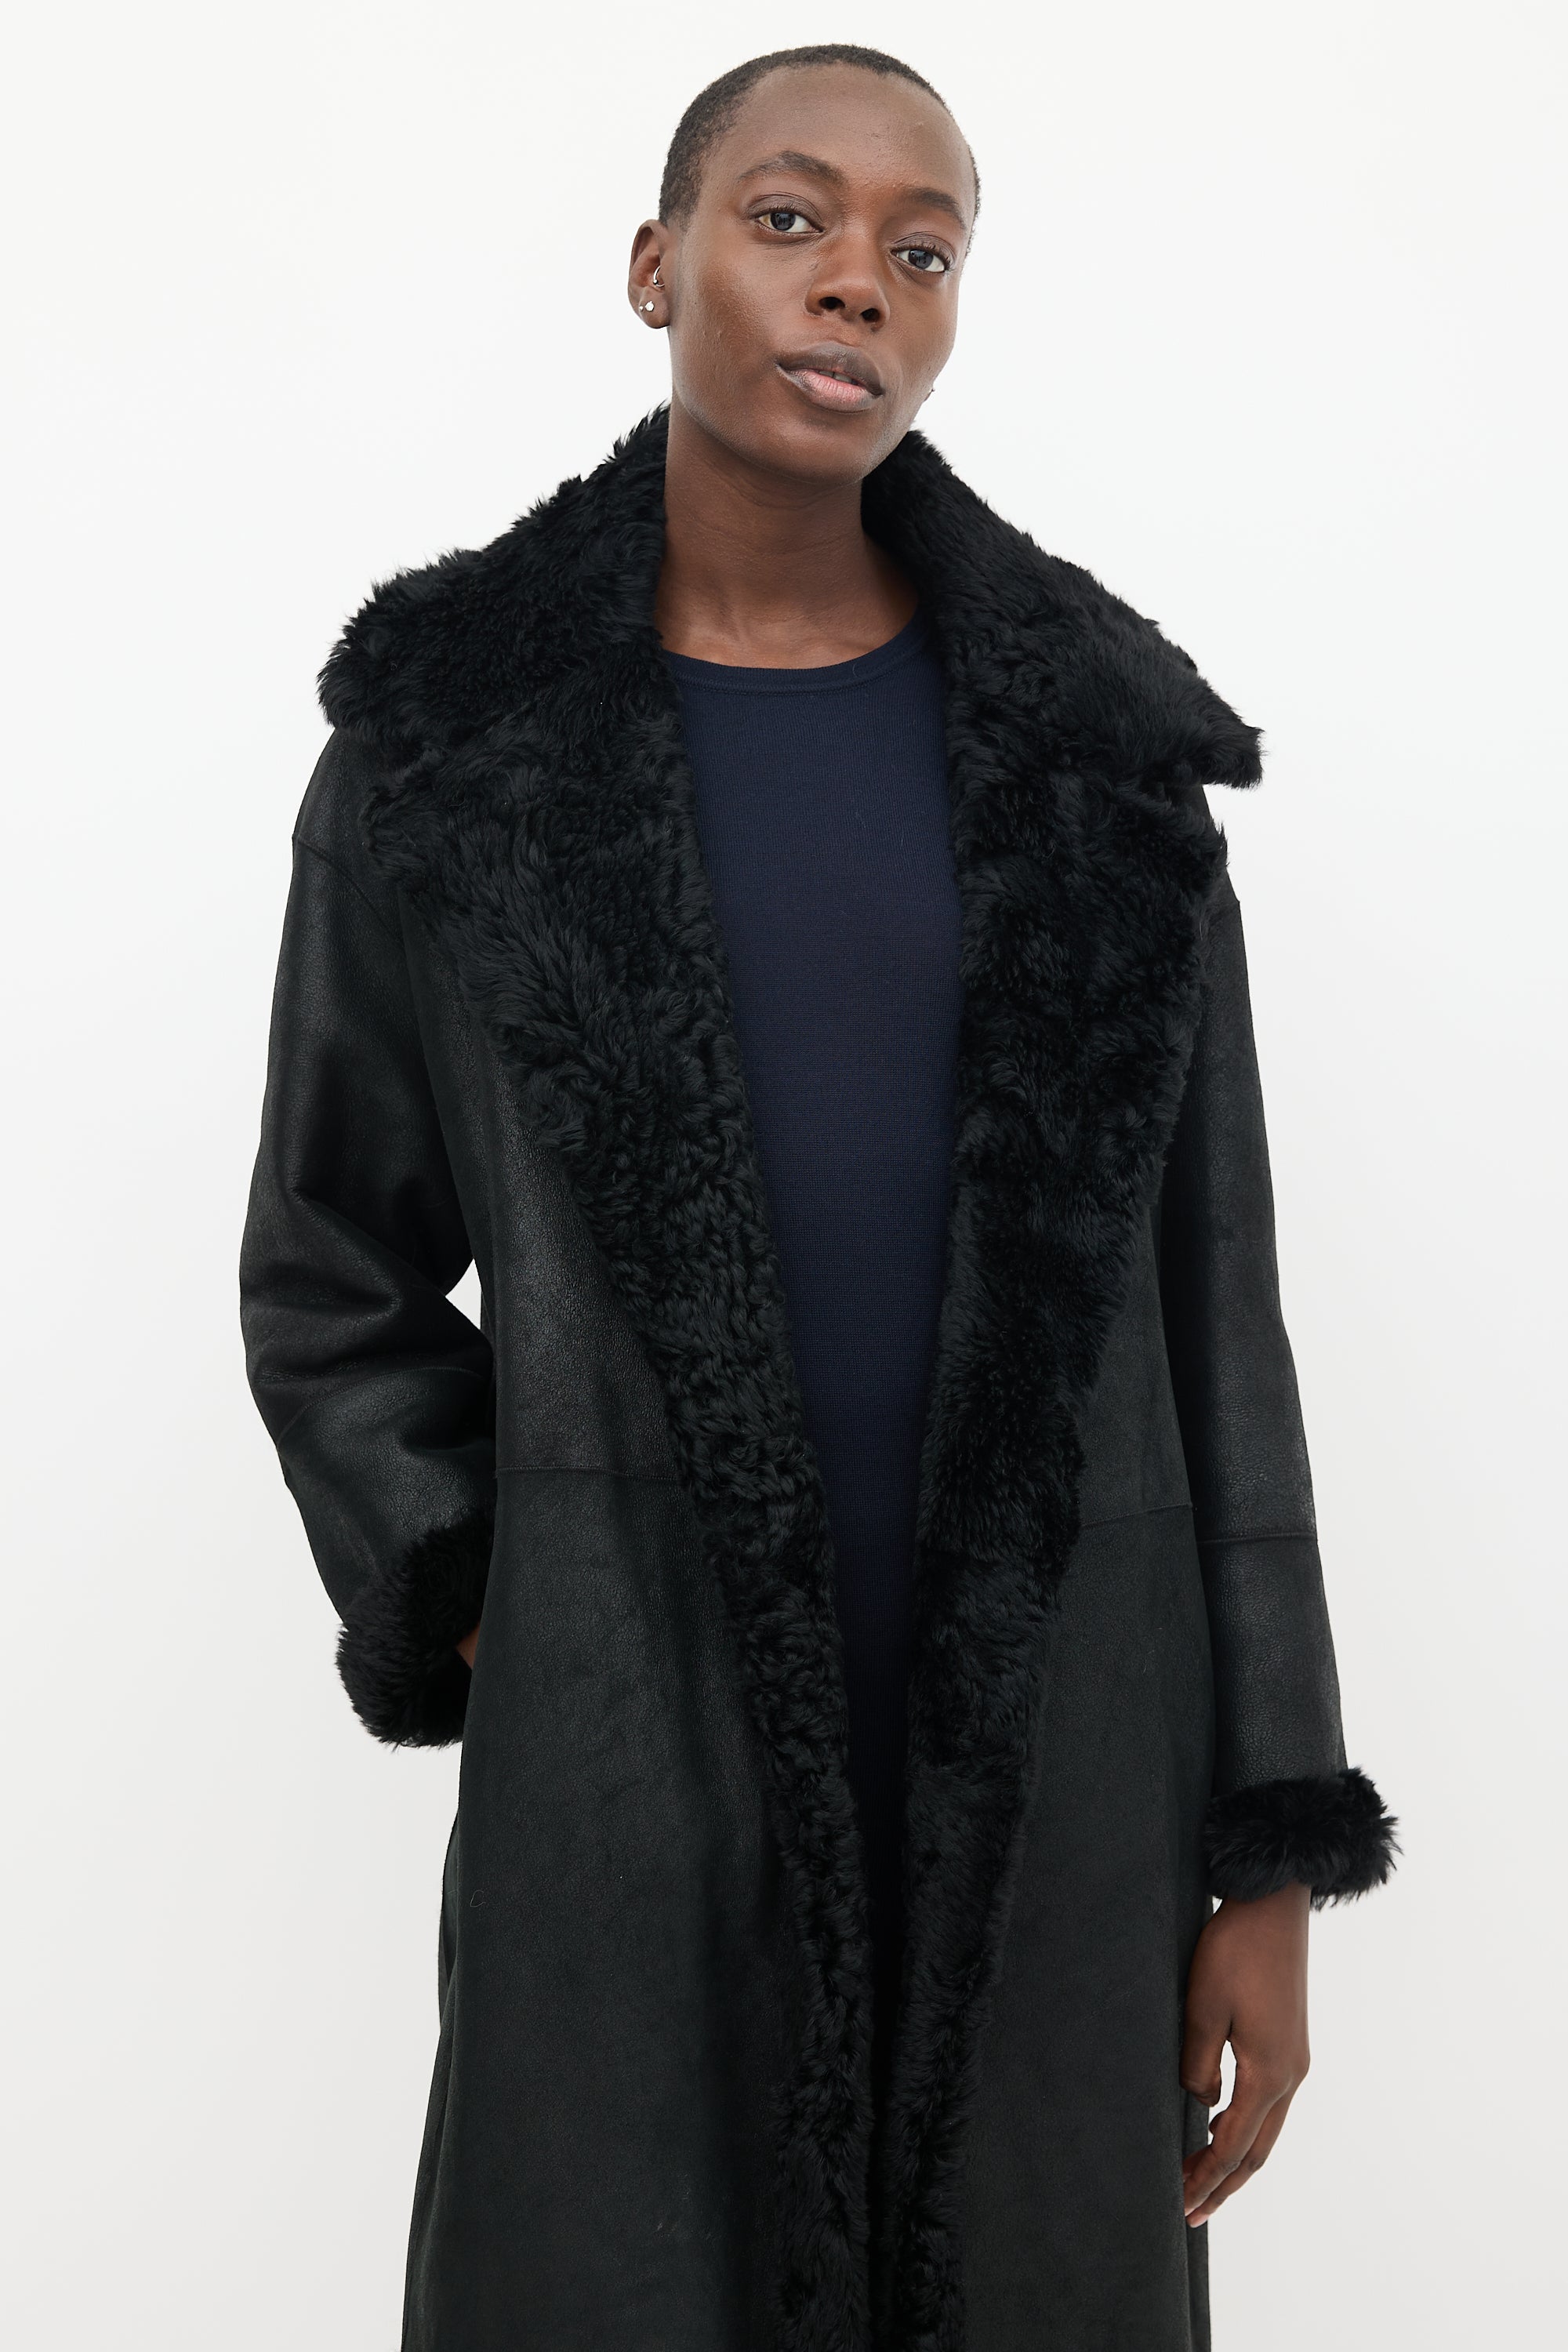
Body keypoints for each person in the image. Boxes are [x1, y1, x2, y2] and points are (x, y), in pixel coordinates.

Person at [239, 43, 1396, 2352]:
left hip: (1069, 1769)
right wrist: (502, 1607)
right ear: (654, 265)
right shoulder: (450, 761)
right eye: (790, 219)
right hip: (632, 1783)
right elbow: (329, 1273)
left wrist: (1267, 1841)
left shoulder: (1106, 770)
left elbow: (1220, 1322)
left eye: (921, 247)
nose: (859, 277)